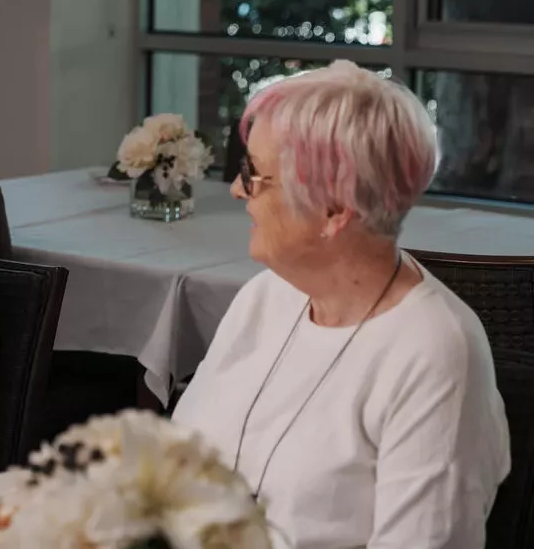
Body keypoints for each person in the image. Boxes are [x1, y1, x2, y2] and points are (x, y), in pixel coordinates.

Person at [172, 61, 509, 548]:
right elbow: (175, 460)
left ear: (334, 210)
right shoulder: (265, 297)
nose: (238, 189)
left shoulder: (435, 350)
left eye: (254, 174)